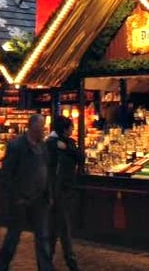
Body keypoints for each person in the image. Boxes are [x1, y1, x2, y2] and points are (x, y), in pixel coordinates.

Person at [0, 113, 54, 271]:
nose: (44, 129)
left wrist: (47, 192)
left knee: (43, 237)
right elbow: (6, 174)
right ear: (34, 127)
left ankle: (46, 268)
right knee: (13, 237)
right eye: (42, 126)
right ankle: (1, 267)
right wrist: (16, 197)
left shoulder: (42, 146)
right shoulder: (17, 146)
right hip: (21, 199)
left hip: (39, 198)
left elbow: (46, 169)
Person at [47, 116, 84, 271]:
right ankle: (71, 263)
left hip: (59, 191)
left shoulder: (66, 143)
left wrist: (66, 148)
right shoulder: (52, 144)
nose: (73, 129)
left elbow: (80, 158)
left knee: (56, 227)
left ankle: (47, 260)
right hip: (59, 191)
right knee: (63, 228)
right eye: (71, 127)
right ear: (64, 128)